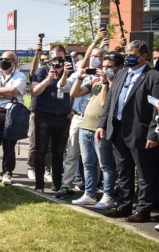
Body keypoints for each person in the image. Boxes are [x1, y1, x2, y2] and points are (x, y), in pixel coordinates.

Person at [96, 40, 159, 222]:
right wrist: (102, 124)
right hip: (118, 130)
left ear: (144, 56)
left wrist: (153, 134)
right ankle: (124, 206)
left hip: (141, 133)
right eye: (127, 55)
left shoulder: (154, 77)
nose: (129, 58)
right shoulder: (122, 73)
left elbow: (157, 108)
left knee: (145, 174)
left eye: (133, 55)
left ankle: (143, 210)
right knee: (123, 171)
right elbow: (110, 101)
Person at [55, 33, 108, 199]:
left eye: (98, 56)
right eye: (92, 56)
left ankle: (93, 187)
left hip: (96, 120)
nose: (94, 59)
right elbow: (64, 88)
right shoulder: (82, 75)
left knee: (96, 157)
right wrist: (78, 76)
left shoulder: (106, 76)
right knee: (72, 154)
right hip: (78, 118)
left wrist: (104, 78)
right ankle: (66, 185)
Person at [70, 52, 123, 209]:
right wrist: (80, 77)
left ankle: (108, 196)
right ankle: (89, 194)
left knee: (105, 165)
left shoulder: (118, 84)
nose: (105, 69)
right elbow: (74, 93)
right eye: (103, 66)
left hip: (102, 129)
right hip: (85, 126)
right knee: (88, 163)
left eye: (109, 67)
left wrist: (106, 82)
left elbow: (103, 103)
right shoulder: (95, 82)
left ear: (119, 67)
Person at [30, 45, 73, 192]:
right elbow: (34, 91)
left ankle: (57, 183)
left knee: (58, 152)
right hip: (43, 115)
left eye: (61, 58)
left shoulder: (70, 71)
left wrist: (71, 109)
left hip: (62, 117)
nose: (58, 61)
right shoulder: (42, 71)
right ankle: (39, 184)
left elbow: (74, 92)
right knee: (40, 150)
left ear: (65, 57)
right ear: (49, 57)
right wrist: (48, 79)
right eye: (55, 58)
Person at [0, 51, 27, 184]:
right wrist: (5, 94)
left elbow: (14, 91)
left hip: (11, 113)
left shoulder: (20, 75)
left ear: (14, 62)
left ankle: (7, 172)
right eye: (2, 59)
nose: (3, 61)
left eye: (7, 59)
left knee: (9, 145)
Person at [26, 44, 52, 181]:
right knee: (34, 142)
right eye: (42, 60)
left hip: (51, 111)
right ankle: (31, 167)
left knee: (48, 144)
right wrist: (37, 54)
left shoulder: (55, 73)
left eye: (47, 59)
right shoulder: (38, 73)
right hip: (36, 111)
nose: (45, 62)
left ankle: (47, 169)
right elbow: (33, 69)